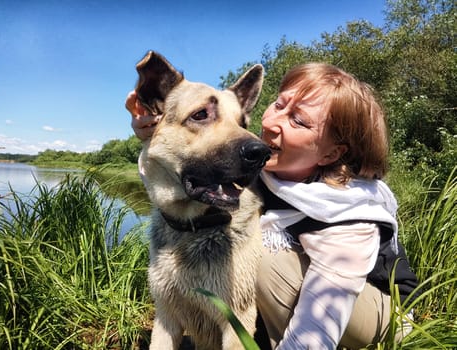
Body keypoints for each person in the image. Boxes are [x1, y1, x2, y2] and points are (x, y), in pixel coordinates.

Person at [125, 62, 420, 349]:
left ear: (332, 154)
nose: (271, 124)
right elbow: (174, 167)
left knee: (264, 255)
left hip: (382, 313)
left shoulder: (348, 212)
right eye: (279, 105)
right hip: (313, 292)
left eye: (299, 120)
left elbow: (319, 323)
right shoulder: (267, 168)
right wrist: (153, 132)